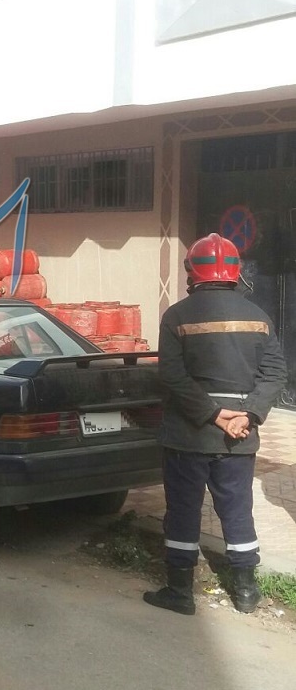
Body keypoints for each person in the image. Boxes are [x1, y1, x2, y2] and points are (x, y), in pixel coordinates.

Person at [144, 233, 287, 616]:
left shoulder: (177, 315)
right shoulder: (259, 317)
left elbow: (172, 377)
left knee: (184, 510)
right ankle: (245, 591)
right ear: (235, 273)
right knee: (237, 509)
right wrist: (248, 414)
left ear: (193, 272)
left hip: (187, 436)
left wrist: (213, 415)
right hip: (239, 438)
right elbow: (275, 374)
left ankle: (179, 591)